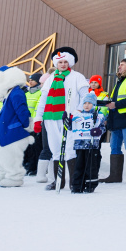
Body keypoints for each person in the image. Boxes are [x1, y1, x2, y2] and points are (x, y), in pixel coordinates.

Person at [33, 48, 91, 191]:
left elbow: (86, 96)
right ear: (56, 64)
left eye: (65, 62)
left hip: (70, 118)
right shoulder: (51, 79)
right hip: (50, 117)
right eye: (60, 62)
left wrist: (77, 111)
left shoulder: (77, 76)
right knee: (55, 148)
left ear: (70, 63)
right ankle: (58, 181)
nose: (63, 64)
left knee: (70, 148)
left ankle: (74, 181)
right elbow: (43, 100)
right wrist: (38, 118)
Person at [100, 58, 126, 184]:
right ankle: (115, 176)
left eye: (122, 65)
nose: (119, 67)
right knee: (114, 147)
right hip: (117, 119)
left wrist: (115, 105)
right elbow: (115, 100)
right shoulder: (121, 79)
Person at [0, 67, 34, 188]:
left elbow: (22, 111)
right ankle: (4, 173)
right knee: (1, 154)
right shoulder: (9, 93)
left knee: (11, 155)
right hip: (6, 131)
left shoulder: (16, 92)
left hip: (13, 132)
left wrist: (26, 125)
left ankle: (14, 177)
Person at [70, 93, 106, 193]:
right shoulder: (78, 115)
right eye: (85, 103)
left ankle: (90, 184)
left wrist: (98, 131)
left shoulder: (98, 116)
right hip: (80, 144)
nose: (86, 105)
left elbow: (102, 128)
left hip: (91, 145)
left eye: (89, 103)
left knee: (91, 166)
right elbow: (70, 127)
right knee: (79, 165)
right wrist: (66, 120)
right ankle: (77, 185)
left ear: (94, 105)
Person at [22, 73, 43, 175]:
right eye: (29, 80)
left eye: (32, 80)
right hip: (25, 123)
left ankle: (34, 166)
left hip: (34, 123)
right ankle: (26, 165)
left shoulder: (40, 93)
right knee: (26, 146)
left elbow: (38, 109)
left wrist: (35, 122)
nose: (30, 81)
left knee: (35, 147)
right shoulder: (26, 93)